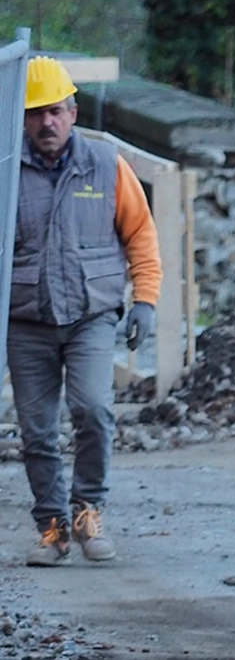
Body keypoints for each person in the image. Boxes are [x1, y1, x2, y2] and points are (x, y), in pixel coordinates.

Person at [10, 56, 162, 566]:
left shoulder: (105, 163)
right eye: (34, 113)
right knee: (36, 430)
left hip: (91, 318)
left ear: (73, 112)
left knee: (94, 411)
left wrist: (145, 301)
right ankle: (51, 528)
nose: (45, 122)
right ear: (19, 117)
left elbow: (140, 234)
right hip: (25, 320)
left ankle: (88, 509)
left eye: (54, 111)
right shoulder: (7, 170)